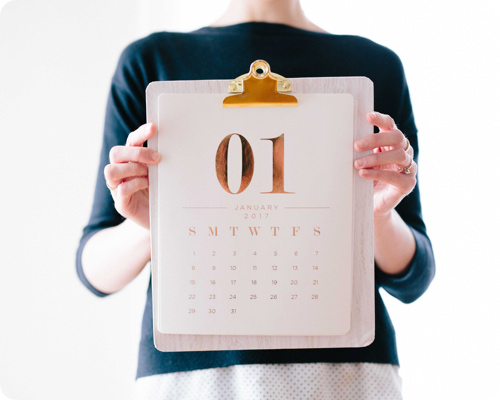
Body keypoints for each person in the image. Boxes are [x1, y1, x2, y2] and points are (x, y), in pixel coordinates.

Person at [76, 0, 435, 398]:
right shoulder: (151, 63)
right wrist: (155, 223)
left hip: (343, 373)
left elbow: (414, 276)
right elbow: (94, 269)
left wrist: (378, 216)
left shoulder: (374, 64)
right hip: (192, 377)